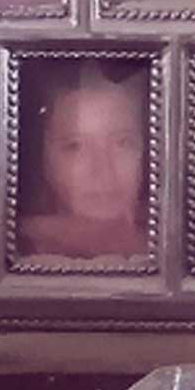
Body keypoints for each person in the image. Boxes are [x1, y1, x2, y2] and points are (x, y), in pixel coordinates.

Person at [18, 59, 150, 260]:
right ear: (44, 159)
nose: (103, 170)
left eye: (123, 142)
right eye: (75, 146)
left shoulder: (181, 253)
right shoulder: (13, 261)